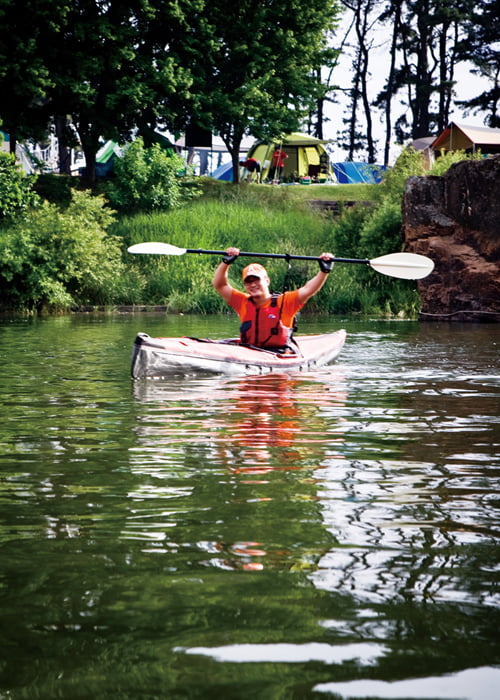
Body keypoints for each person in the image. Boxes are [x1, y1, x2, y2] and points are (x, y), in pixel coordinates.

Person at [212, 247, 334, 351]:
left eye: (256, 280)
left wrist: (324, 271)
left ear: (267, 281)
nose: (253, 285)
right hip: (249, 350)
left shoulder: (285, 301)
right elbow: (220, 285)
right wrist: (225, 263)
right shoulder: (242, 302)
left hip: (278, 353)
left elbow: (308, 290)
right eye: (248, 282)